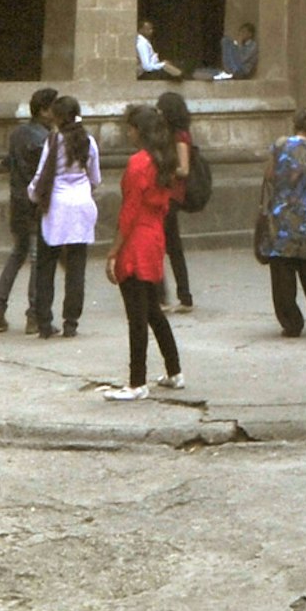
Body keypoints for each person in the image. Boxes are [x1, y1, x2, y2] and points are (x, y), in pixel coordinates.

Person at [104, 103, 188, 400]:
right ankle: (174, 370)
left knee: (137, 315)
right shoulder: (161, 160)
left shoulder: (139, 163)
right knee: (151, 310)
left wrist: (114, 250)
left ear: (138, 130)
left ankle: (137, 382)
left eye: (130, 128)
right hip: (154, 236)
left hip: (137, 238)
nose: (128, 133)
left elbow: (129, 211)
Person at [0, 85, 61, 333]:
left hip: (17, 198)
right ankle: (34, 315)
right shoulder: (46, 139)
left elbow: (9, 163)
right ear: (44, 111)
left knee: (17, 253)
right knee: (37, 257)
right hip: (35, 202)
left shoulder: (18, 134)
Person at [259, 108, 306, 336]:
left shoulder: (280, 144)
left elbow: (269, 175)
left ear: (294, 124)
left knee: (282, 271)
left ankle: (291, 323)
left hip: (280, 215)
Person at [33, 95, 100, 340]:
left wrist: (34, 195)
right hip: (81, 205)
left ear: (59, 117)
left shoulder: (54, 141)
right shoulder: (89, 141)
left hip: (56, 207)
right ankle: (71, 322)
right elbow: (96, 178)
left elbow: (42, 174)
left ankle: (44, 322)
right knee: (76, 266)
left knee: (46, 265)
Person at [154, 88, 201, 313]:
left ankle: (164, 296)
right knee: (172, 246)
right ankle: (182, 296)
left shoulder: (180, 136)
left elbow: (184, 168)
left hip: (171, 194)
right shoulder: (173, 134)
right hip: (170, 194)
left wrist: (164, 172)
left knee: (164, 244)